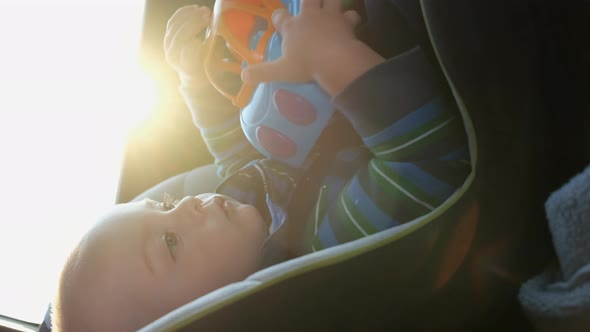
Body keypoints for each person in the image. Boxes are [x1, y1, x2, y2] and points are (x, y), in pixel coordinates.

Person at [51, 1, 471, 331]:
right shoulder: (325, 247)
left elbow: (234, 155)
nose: (186, 205)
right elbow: (428, 161)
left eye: (163, 204)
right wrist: (334, 58)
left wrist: (194, 81)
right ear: (205, 320)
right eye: (170, 242)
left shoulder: (251, 211)